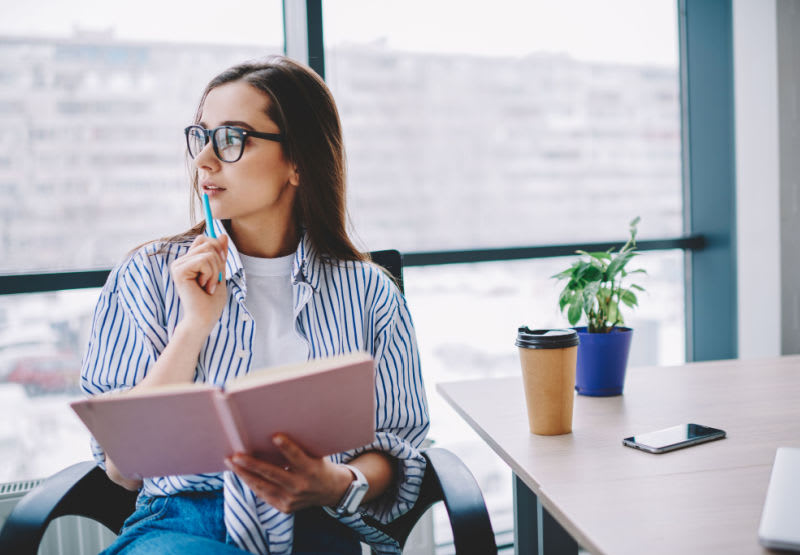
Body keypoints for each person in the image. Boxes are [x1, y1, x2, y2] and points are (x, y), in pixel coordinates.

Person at [80, 56, 429, 555]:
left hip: (319, 524)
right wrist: (194, 324)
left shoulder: (370, 292)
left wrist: (335, 482)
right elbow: (123, 466)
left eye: (231, 139)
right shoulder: (147, 276)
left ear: (297, 162)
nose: (204, 160)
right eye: (201, 137)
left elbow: (399, 448)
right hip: (184, 526)